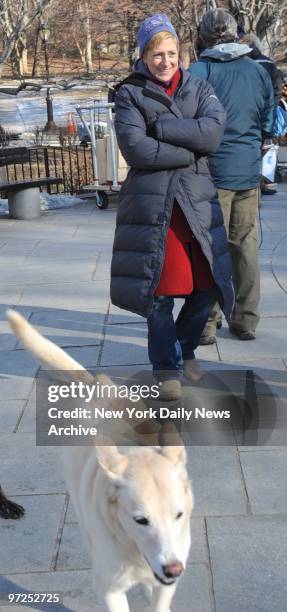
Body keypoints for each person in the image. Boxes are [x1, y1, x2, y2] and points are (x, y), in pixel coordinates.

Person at [110, 13, 234, 400]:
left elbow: (212, 134)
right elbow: (135, 148)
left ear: (180, 51)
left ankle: (185, 348)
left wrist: (161, 128)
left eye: (170, 53)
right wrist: (187, 147)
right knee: (159, 293)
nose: (165, 61)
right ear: (144, 56)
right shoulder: (130, 93)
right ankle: (166, 365)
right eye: (156, 54)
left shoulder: (198, 86)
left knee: (208, 287)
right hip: (153, 207)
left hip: (195, 203)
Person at [189, 8, 275, 343]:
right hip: (247, 170)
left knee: (210, 247)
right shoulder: (258, 70)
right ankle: (246, 319)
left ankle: (208, 321)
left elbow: (190, 123)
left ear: (205, 36)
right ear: (235, 34)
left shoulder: (198, 71)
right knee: (246, 245)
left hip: (211, 172)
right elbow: (269, 123)